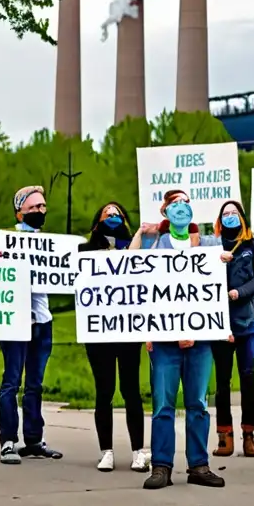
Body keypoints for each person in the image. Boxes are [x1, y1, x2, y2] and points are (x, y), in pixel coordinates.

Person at [131, 189, 225, 490]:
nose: (182, 207)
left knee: (198, 403)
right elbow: (131, 273)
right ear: (165, 212)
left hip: (200, 340)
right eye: (175, 203)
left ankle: (199, 465)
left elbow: (217, 283)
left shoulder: (209, 244)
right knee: (163, 404)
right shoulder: (155, 245)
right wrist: (141, 232)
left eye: (186, 202)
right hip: (163, 341)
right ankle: (161, 467)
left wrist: (225, 259)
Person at [78, 201, 149, 472]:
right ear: (98, 219)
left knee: (131, 391)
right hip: (99, 332)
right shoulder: (85, 250)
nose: (113, 216)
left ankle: (137, 451)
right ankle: (106, 451)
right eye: (107, 213)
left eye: (118, 213)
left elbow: (131, 264)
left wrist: (139, 236)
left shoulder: (134, 246)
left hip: (129, 330)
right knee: (104, 391)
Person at [210, 201, 254, 459]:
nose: (230, 217)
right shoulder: (212, 244)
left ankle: (248, 434)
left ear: (242, 217)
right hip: (218, 323)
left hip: (246, 321)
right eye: (225, 214)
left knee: (248, 376)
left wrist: (241, 293)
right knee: (222, 381)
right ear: (220, 219)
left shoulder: (252, 242)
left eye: (234, 213)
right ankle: (224, 436)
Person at [0, 186, 63, 464]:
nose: (39, 211)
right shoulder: (8, 240)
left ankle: (34, 440)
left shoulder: (50, 243)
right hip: (15, 321)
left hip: (42, 320)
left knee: (35, 383)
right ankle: (8, 441)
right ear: (19, 212)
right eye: (33, 207)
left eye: (42, 207)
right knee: (11, 382)